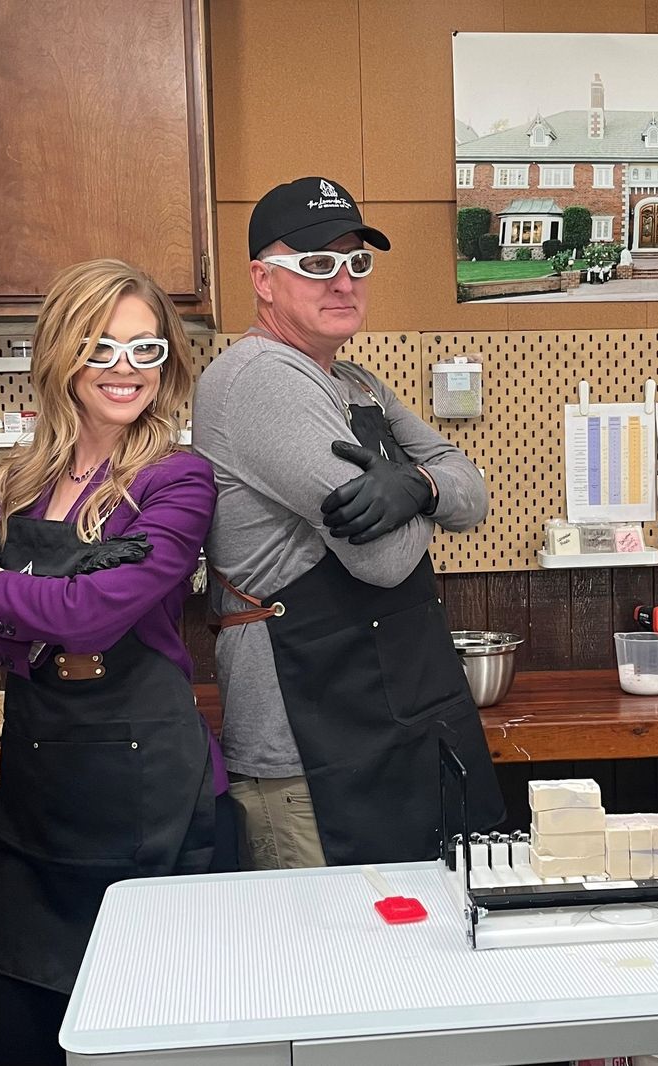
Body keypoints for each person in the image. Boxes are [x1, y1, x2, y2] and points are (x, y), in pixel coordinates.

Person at [0, 259, 230, 1065]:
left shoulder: (177, 480)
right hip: (40, 785)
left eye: (145, 350)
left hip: (148, 794)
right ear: (63, 353)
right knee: (26, 1029)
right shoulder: (25, 483)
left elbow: (93, 613)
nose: (125, 369)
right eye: (103, 346)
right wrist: (45, 624)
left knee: (154, 1030)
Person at [193, 176, 504, 870]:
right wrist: (430, 496)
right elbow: (383, 561)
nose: (343, 282)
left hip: (396, 718)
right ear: (262, 280)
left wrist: (417, 486)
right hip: (310, 751)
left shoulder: (355, 382)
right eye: (316, 263)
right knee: (326, 971)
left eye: (356, 262)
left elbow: (473, 490)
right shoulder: (260, 379)